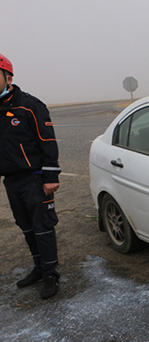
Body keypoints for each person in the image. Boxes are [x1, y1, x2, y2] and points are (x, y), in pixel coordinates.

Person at [0, 53, 61, 299]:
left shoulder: (29, 105)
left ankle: (51, 274)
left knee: (43, 227)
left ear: (8, 77)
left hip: (35, 179)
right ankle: (39, 267)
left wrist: (50, 176)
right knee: (25, 227)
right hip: (11, 181)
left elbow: (48, 142)